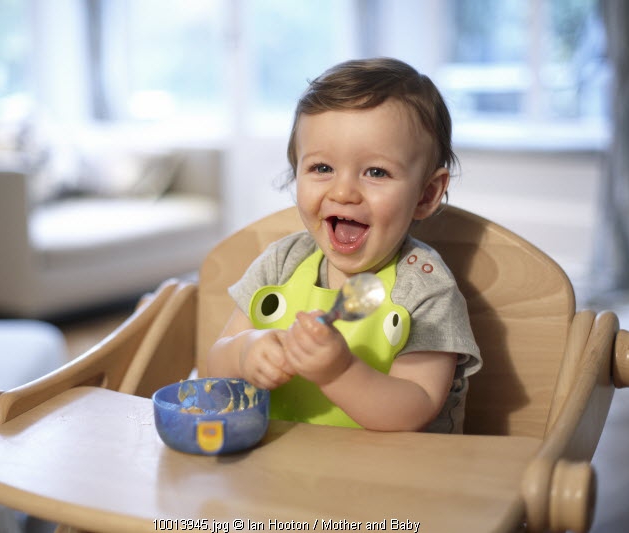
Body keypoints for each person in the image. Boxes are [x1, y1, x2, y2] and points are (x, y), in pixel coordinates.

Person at [206, 57, 482, 433]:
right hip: (282, 459)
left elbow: (417, 407)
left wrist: (340, 372)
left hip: (396, 465)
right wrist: (244, 352)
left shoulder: (424, 289)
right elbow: (215, 363)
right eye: (322, 168)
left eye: (376, 172)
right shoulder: (281, 265)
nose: (343, 192)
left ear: (426, 194)